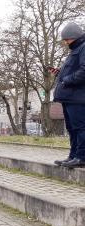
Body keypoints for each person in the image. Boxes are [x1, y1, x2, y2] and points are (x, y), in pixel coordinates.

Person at [52, 22, 85, 168]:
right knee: (72, 128)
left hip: (78, 97)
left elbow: (84, 71)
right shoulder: (76, 49)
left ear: (75, 37)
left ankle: (81, 157)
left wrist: (66, 79)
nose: (65, 42)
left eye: (67, 39)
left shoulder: (83, 48)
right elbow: (74, 70)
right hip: (69, 97)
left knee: (80, 127)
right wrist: (60, 73)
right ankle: (73, 156)